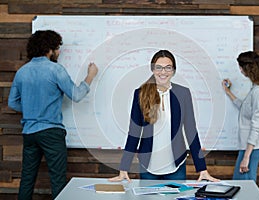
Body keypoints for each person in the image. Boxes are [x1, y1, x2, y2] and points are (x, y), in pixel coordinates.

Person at [8, 30, 98, 200]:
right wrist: (90, 76)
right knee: (57, 181)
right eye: (57, 48)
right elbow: (77, 95)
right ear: (49, 49)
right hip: (51, 133)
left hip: (29, 133)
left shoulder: (22, 71)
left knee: (27, 179)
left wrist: (31, 109)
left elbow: (12, 103)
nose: (58, 52)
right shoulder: (55, 69)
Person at [109, 50, 219, 182]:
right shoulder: (140, 94)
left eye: (168, 67)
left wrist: (202, 169)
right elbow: (134, 132)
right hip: (148, 166)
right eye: (159, 67)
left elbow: (191, 131)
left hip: (176, 166)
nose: (163, 72)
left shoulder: (183, 93)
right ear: (152, 69)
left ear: (173, 70)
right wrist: (124, 168)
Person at [222, 51, 259, 182]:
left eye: (241, 67)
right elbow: (245, 108)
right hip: (249, 148)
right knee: (244, 186)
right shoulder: (256, 88)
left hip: (252, 148)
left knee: (244, 188)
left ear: (247, 68)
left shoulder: (258, 92)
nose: (240, 70)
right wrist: (228, 92)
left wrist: (246, 156)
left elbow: (257, 124)